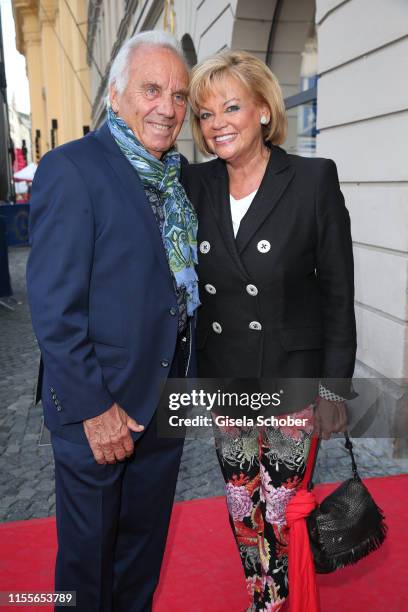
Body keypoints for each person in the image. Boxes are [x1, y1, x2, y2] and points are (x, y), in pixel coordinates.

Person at [27, 30, 199, 611]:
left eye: (178, 95)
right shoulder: (72, 169)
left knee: (140, 561)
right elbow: (55, 308)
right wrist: (96, 410)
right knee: (86, 572)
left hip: (165, 401)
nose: (168, 107)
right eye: (152, 89)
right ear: (116, 97)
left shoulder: (175, 181)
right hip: (98, 413)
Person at [184, 50, 357, 611]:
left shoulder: (312, 179)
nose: (217, 125)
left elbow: (337, 292)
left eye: (231, 107)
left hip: (292, 382)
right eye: (206, 114)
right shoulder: (195, 185)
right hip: (227, 380)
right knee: (242, 509)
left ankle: (282, 603)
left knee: (283, 512)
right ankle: (264, 600)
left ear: (263, 110)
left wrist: (333, 389)